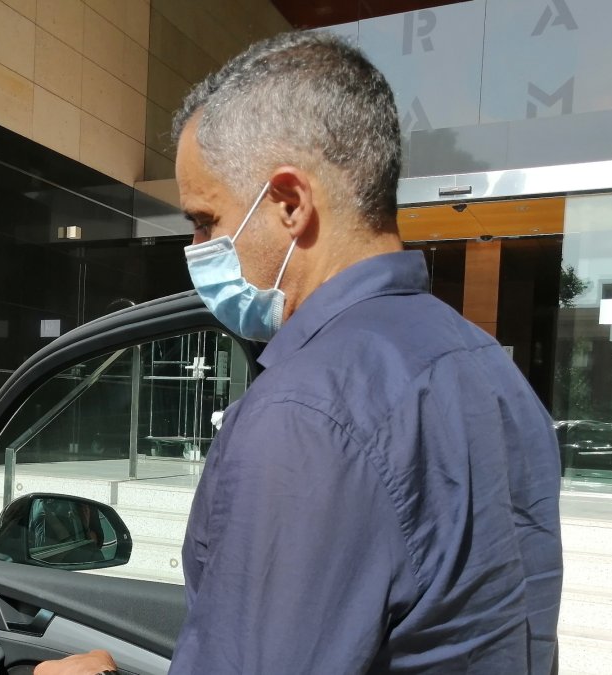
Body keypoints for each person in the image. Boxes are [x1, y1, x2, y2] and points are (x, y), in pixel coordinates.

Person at [36, 31, 562, 675]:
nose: (198, 246)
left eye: (204, 219)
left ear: (288, 204)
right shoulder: (487, 367)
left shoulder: (308, 411)